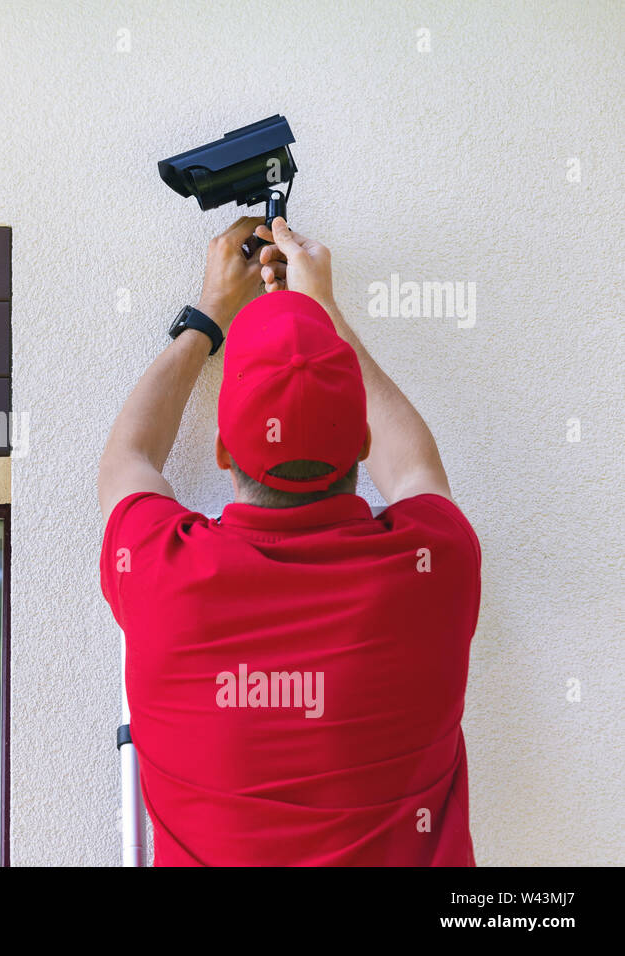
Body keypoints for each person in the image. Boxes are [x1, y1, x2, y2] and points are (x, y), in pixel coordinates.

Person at [97, 216, 481, 865]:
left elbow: (128, 458)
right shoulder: (434, 566)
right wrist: (324, 310)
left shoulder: (162, 571)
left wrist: (207, 314)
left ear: (222, 451)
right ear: (359, 443)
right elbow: (413, 469)